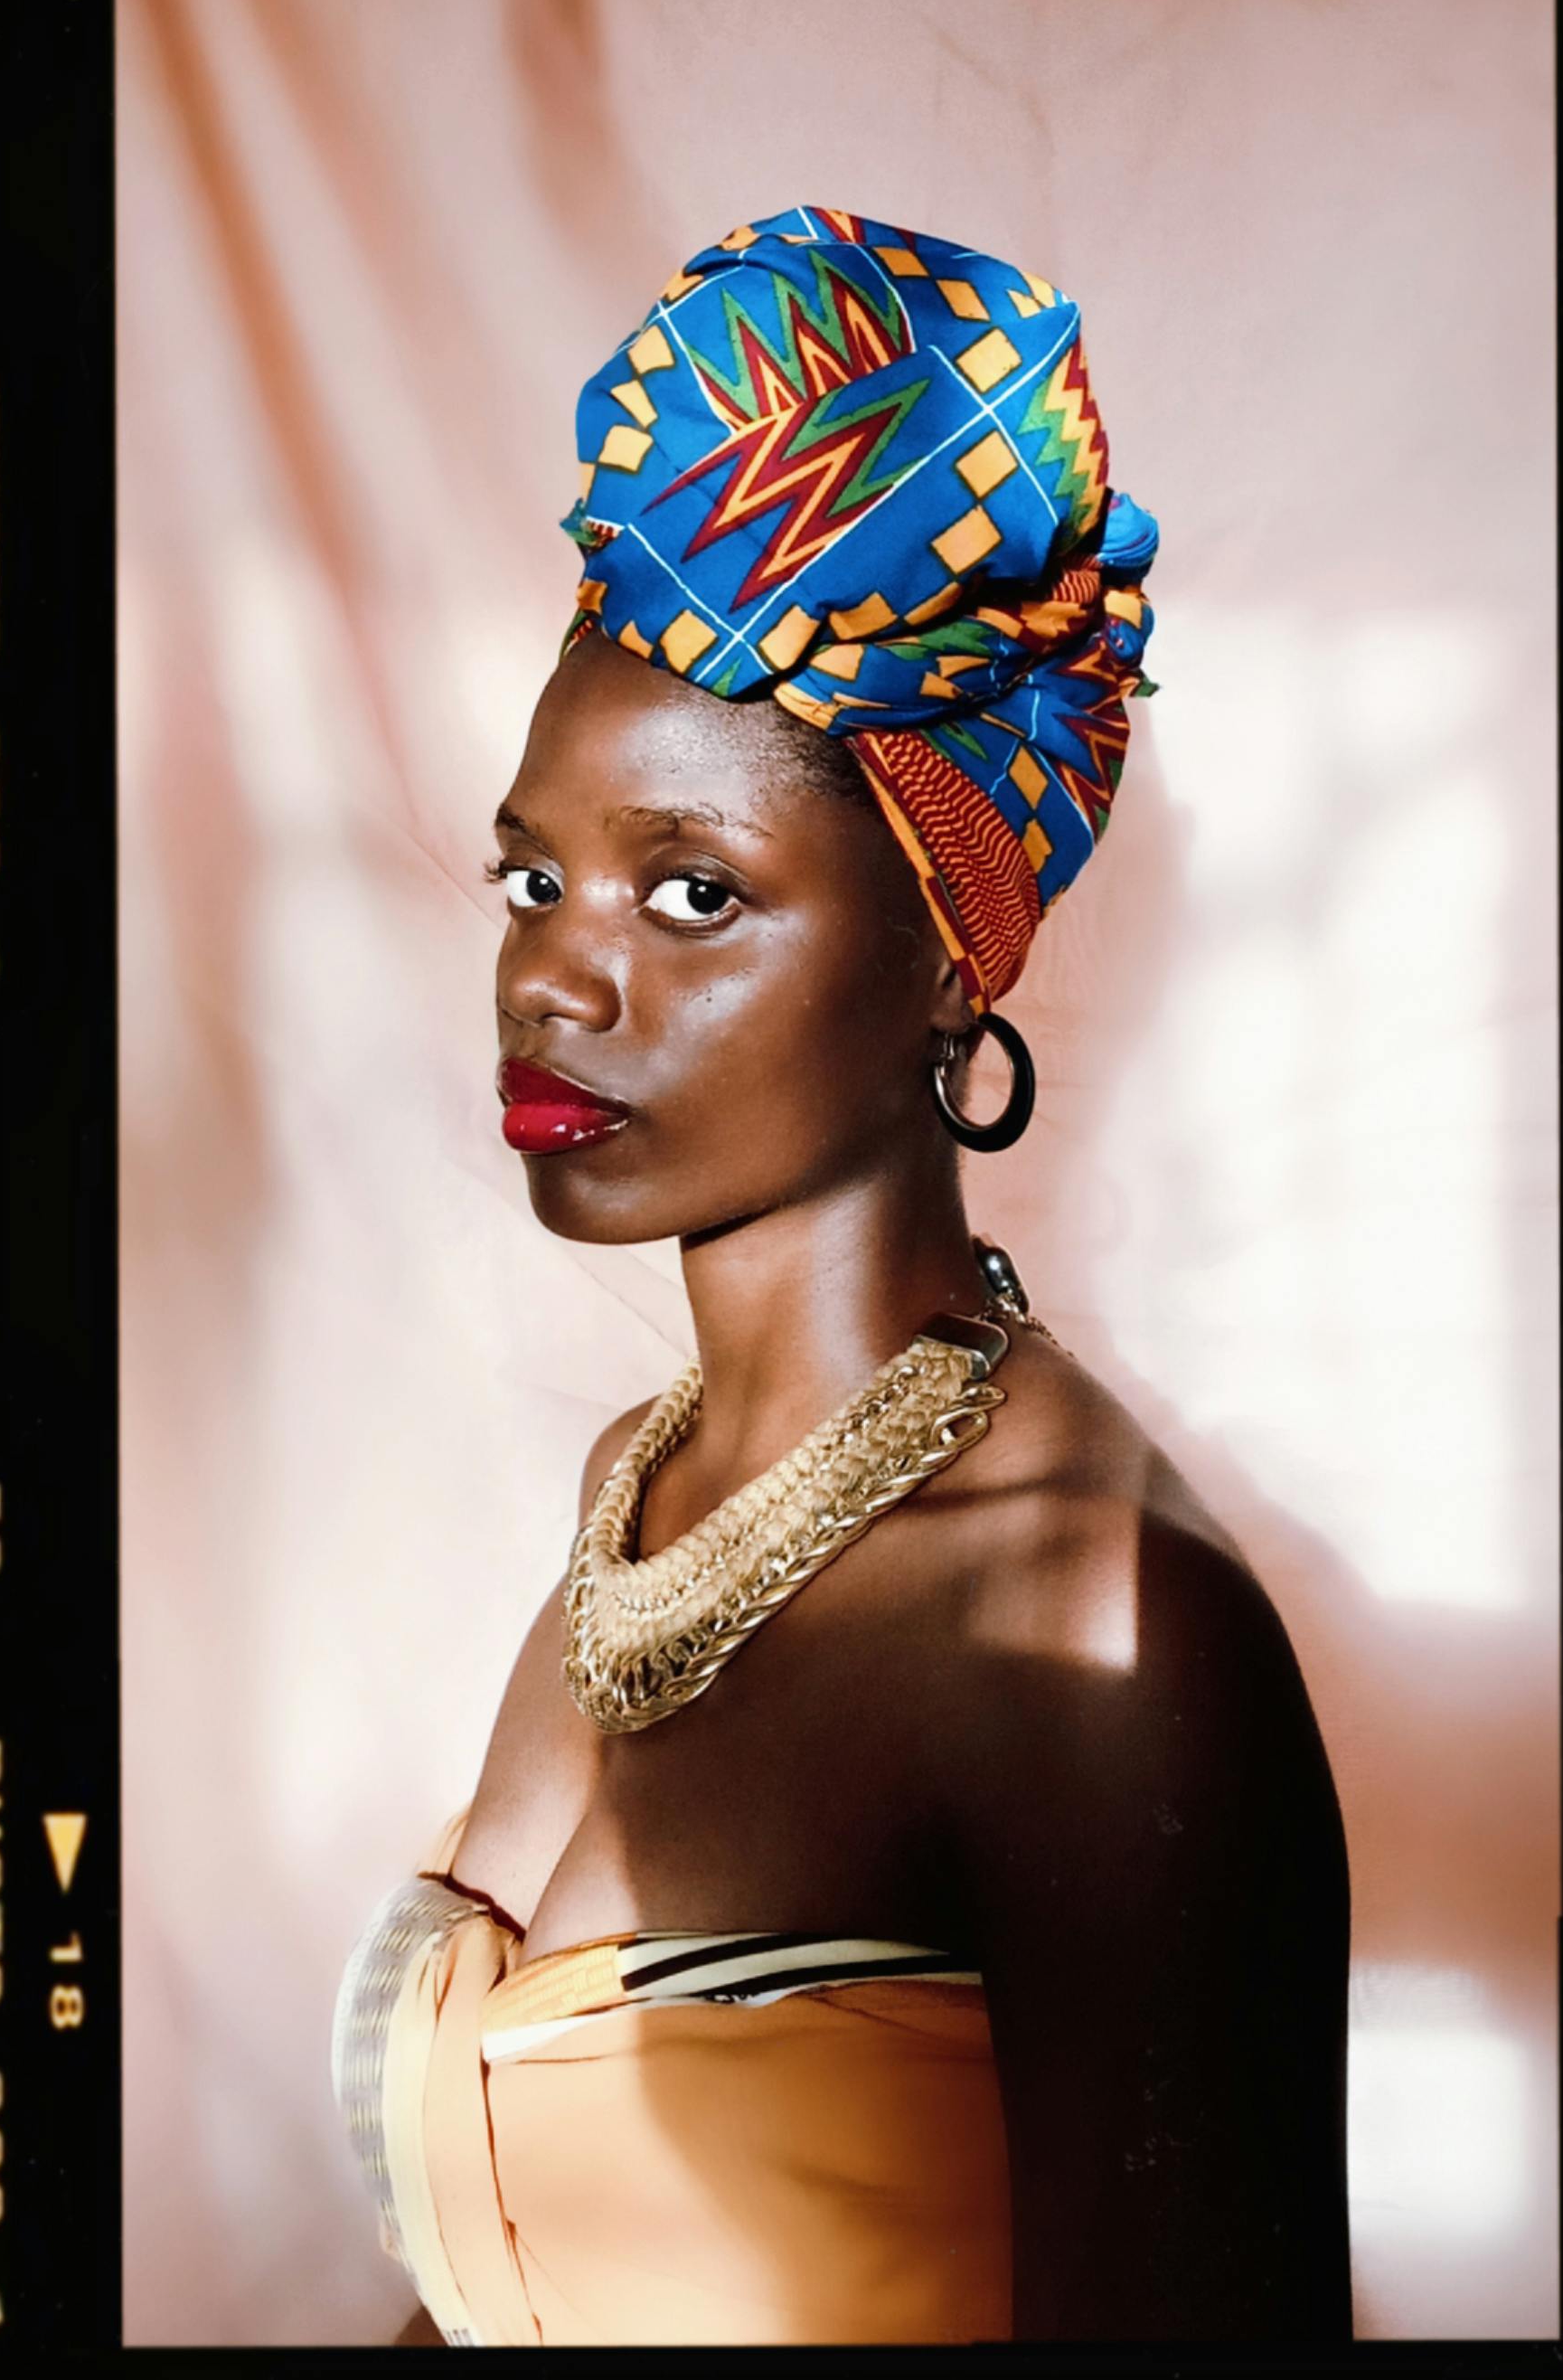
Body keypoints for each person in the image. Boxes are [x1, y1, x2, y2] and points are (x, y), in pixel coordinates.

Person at [331, 207, 1351, 2347]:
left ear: (939, 962)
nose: (554, 971)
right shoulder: (643, 1493)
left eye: (694, 890)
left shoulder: (1094, 1636)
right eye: (538, 873)